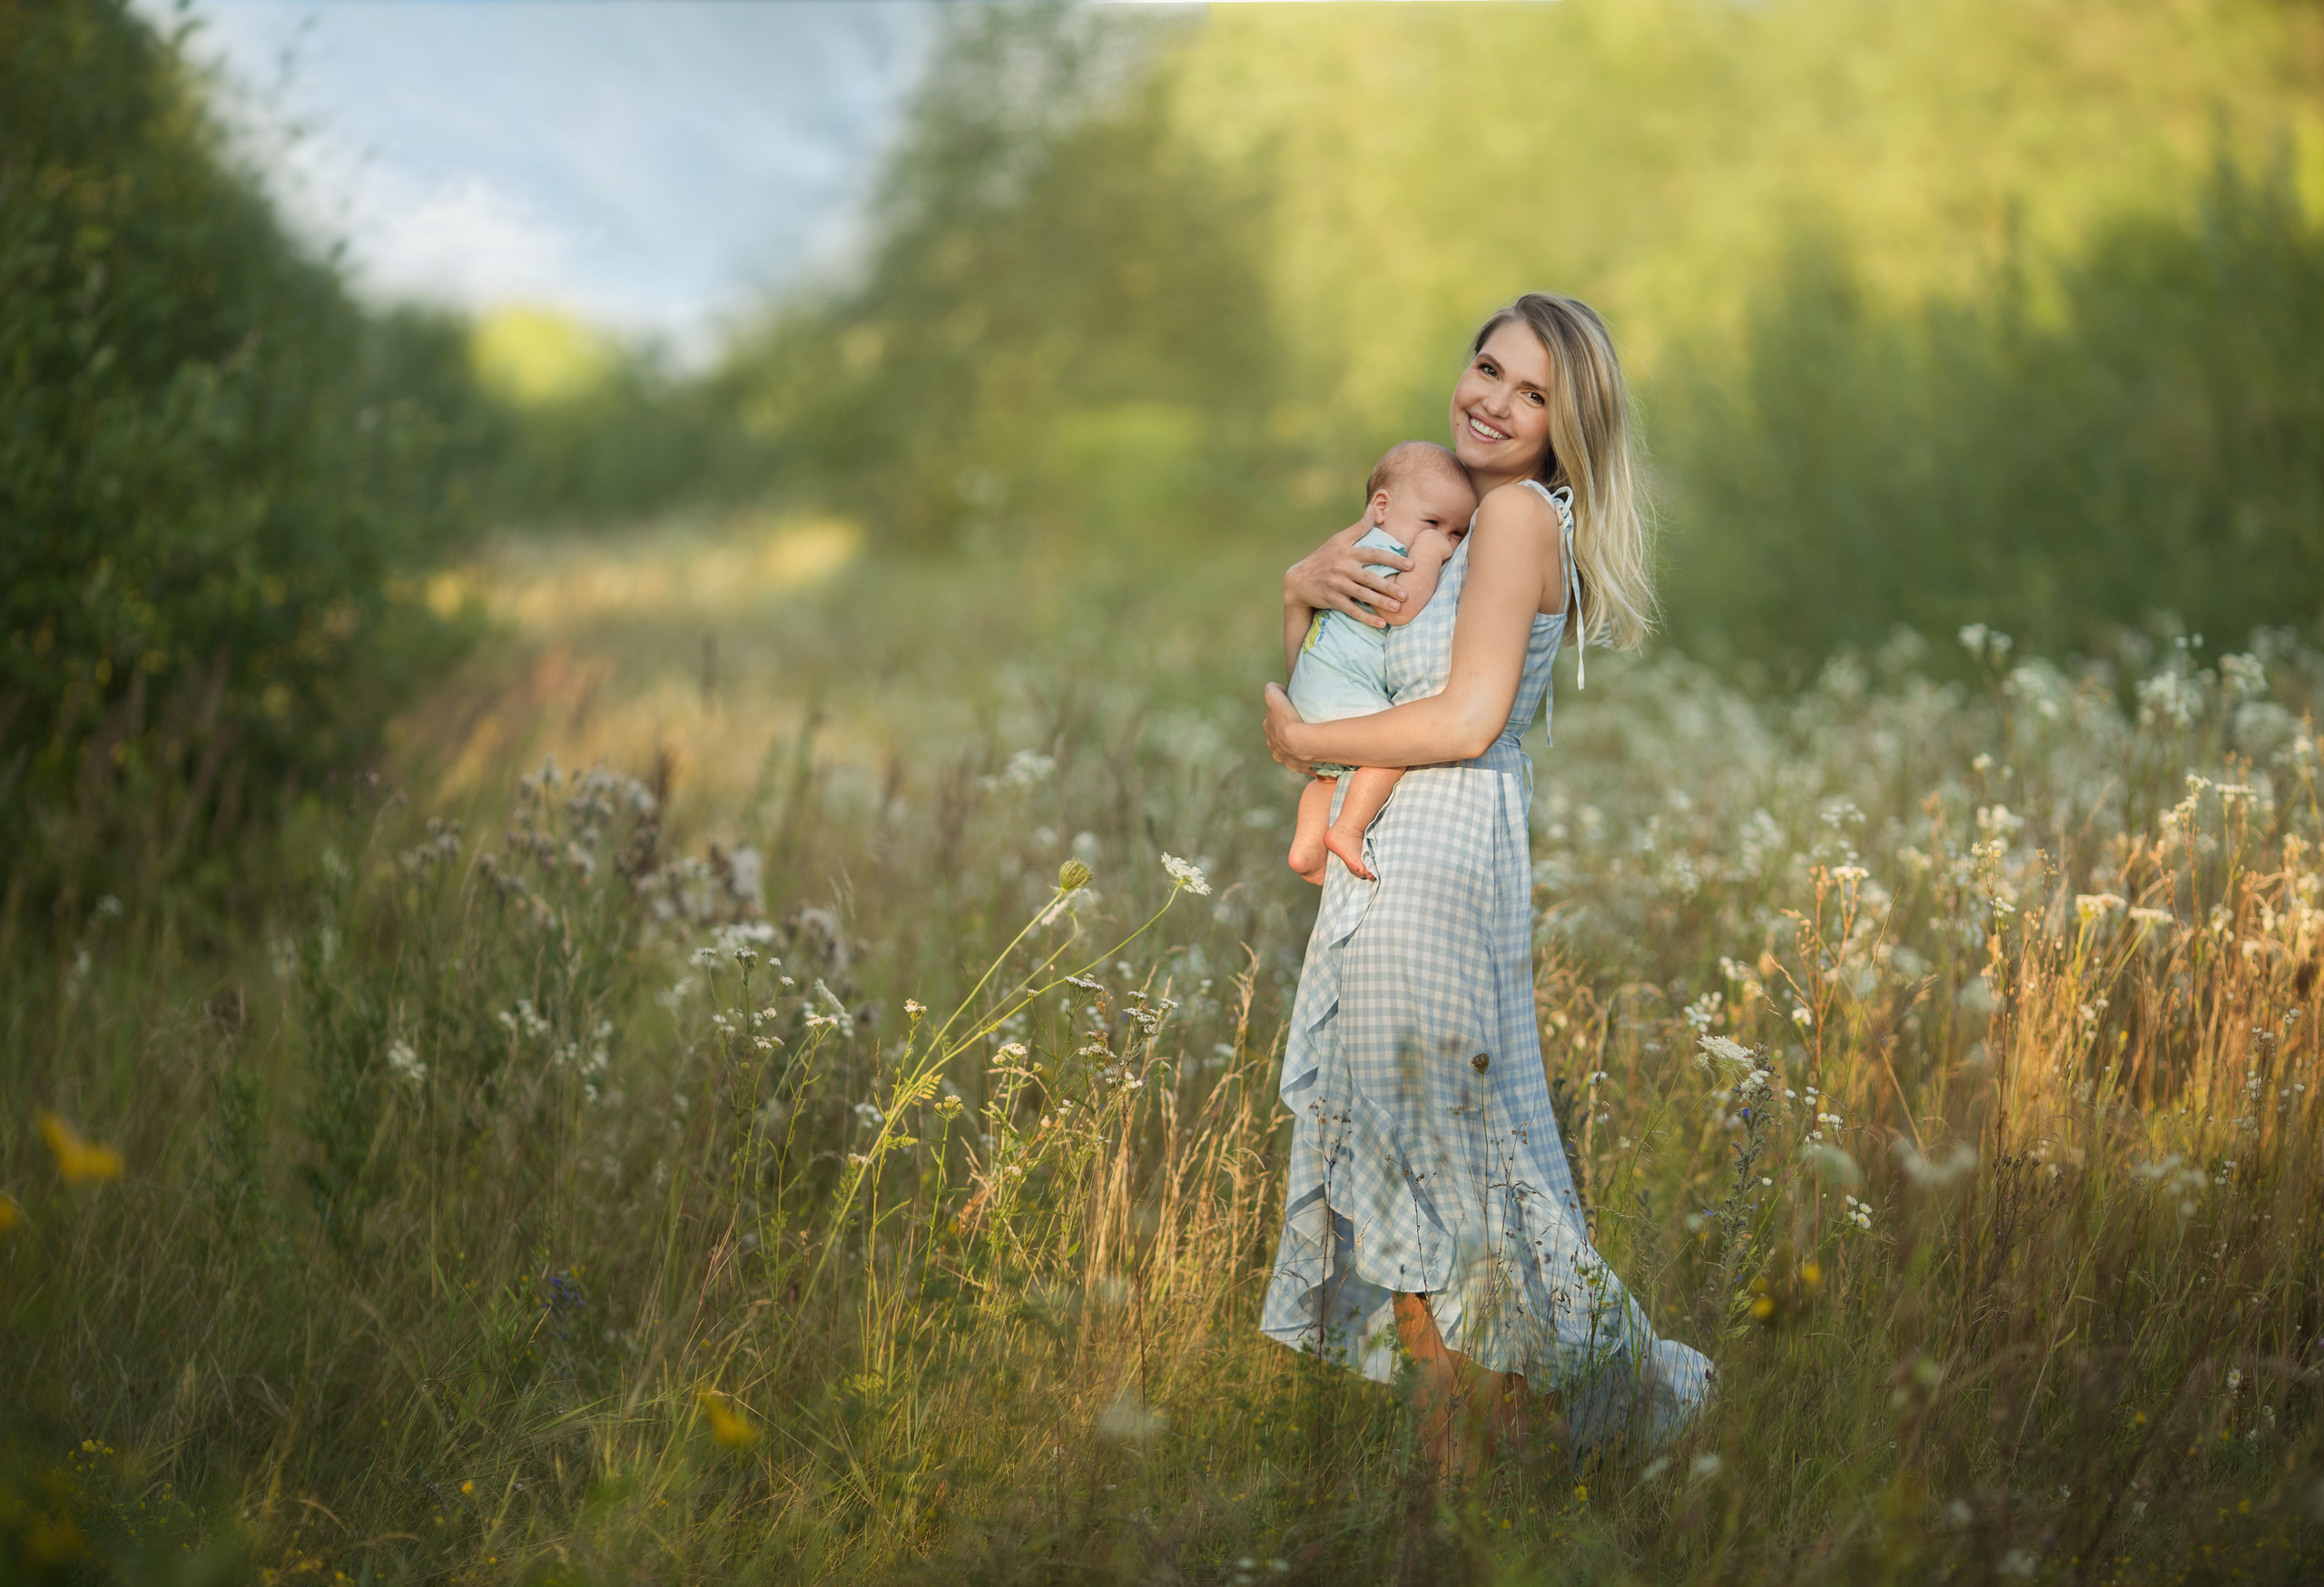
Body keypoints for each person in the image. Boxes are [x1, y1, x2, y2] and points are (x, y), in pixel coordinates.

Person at [1260, 293, 1711, 1478]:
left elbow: (1462, 720)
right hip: (1402, 847)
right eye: (1489, 369)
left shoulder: (1515, 516)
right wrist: (1302, 590)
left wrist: (1309, 759)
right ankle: (1476, 1477)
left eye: (1534, 397)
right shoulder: (1457, 520)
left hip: (1438, 852)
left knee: (1439, 1172)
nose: (1496, 404)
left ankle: (1524, 1454)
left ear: (1568, 434)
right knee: (1428, 1167)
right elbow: (1348, 680)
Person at [1284, 441, 1477, 886]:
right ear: (1382, 507)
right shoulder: (1383, 552)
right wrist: (1429, 552)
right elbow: (1400, 608)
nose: (1444, 540)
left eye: (1456, 534)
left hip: (1314, 689)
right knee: (1394, 747)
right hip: (1339, 689)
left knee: (1329, 779)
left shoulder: (1350, 551)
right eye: (1432, 522)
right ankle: (1346, 831)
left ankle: (1306, 852)